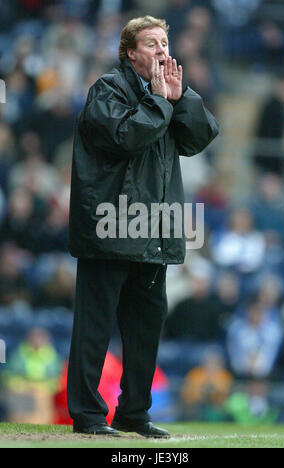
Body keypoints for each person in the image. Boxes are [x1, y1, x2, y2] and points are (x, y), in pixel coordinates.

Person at [67, 15, 219, 438]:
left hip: (155, 232)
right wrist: (159, 101)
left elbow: (203, 135)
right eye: (151, 43)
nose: (162, 51)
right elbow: (126, 137)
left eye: (165, 43)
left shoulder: (167, 96)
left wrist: (180, 95)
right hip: (110, 230)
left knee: (146, 332)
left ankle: (134, 412)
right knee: (94, 329)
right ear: (130, 52)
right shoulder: (106, 90)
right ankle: (88, 415)